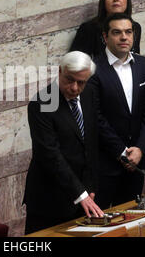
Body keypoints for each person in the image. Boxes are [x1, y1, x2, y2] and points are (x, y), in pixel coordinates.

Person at [23, 51, 104, 234]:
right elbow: (51, 155)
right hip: (50, 199)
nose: (74, 88)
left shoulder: (89, 93)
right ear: (59, 72)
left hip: (83, 197)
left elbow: (90, 143)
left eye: (81, 82)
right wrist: (80, 193)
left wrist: (90, 186)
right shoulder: (42, 102)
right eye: (69, 80)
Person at [88, 13, 145, 209]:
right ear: (105, 37)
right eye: (117, 32)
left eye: (128, 32)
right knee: (99, 222)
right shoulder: (93, 68)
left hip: (136, 163)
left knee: (131, 219)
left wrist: (140, 149)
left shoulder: (144, 65)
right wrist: (121, 152)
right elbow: (96, 116)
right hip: (105, 163)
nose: (124, 37)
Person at [69, 0, 141, 59]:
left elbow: (135, 58)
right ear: (103, 2)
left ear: (127, 1)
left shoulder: (136, 27)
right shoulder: (89, 28)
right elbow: (75, 61)